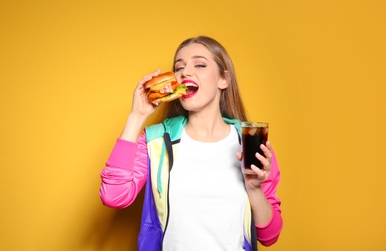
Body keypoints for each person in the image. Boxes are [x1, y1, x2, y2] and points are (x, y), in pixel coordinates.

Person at [100, 36, 283, 251]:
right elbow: (114, 196)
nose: (185, 72)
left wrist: (254, 189)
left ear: (223, 80)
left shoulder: (250, 141)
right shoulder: (156, 141)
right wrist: (137, 115)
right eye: (179, 67)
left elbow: (269, 236)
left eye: (200, 64)